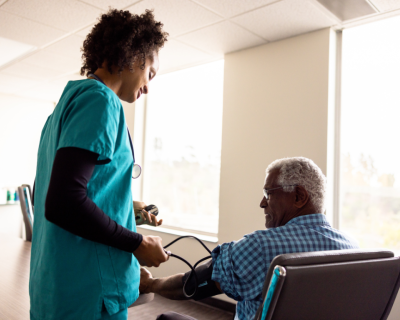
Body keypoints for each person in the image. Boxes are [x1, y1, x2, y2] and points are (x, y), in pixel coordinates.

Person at [30, 9, 169, 320]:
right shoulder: (101, 101)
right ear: (133, 56)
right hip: (89, 294)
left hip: (56, 287)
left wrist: (128, 208)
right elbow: (63, 202)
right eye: (151, 72)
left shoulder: (63, 108)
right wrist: (138, 242)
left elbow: (50, 192)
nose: (148, 86)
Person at [139, 157, 360, 320]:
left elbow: (190, 286)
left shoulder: (261, 247)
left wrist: (150, 283)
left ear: (299, 197)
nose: (262, 203)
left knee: (167, 319)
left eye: (268, 193)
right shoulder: (352, 249)